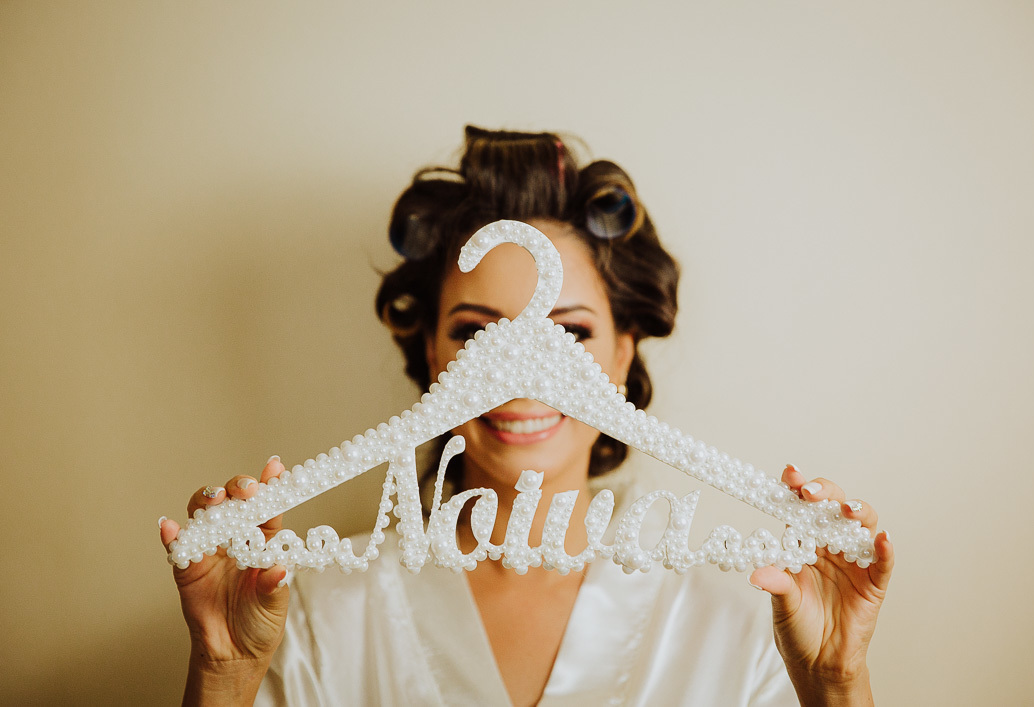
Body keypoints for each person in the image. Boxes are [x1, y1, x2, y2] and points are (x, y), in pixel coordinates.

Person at [160, 126, 894, 706]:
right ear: (432, 352)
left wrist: (837, 686)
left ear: (622, 352)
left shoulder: (745, 629)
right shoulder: (310, 614)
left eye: (567, 332)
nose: (520, 370)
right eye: (477, 333)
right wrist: (223, 675)